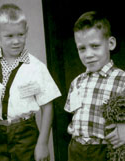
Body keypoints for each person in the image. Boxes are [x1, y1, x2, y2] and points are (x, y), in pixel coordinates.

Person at [0, 3, 61, 161]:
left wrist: (42, 144)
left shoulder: (36, 67)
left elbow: (47, 107)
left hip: (25, 134)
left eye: (20, 35)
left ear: (26, 31)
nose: (16, 41)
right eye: (9, 36)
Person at [64, 11, 125, 161]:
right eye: (82, 48)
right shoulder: (77, 82)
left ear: (110, 44)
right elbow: (72, 115)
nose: (88, 54)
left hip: (105, 150)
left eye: (95, 46)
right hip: (76, 148)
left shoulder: (121, 78)